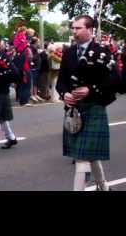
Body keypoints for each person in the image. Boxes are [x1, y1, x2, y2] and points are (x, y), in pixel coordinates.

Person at [57, 15, 118, 191]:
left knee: (82, 159)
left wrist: (90, 89)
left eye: (78, 28)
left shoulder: (102, 51)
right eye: (73, 28)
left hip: (94, 108)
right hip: (73, 110)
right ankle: (104, 187)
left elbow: (115, 80)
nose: (74, 31)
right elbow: (61, 81)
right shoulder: (68, 52)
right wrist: (64, 94)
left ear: (90, 30)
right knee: (89, 156)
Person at [13, 29, 33, 107]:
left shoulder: (19, 49)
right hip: (25, 68)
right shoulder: (25, 49)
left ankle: (22, 100)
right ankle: (24, 100)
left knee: (22, 84)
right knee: (26, 84)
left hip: (22, 68)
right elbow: (28, 59)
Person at [29, 37, 43, 102]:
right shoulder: (31, 48)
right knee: (33, 81)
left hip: (37, 67)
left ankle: (35, 94)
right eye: (38, 42)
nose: (39, 43)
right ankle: (32, 95)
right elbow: (31, 57)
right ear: (35, 42)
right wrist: (38, 54)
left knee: (36, 81)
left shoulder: (35, 48)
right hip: (33, 67)